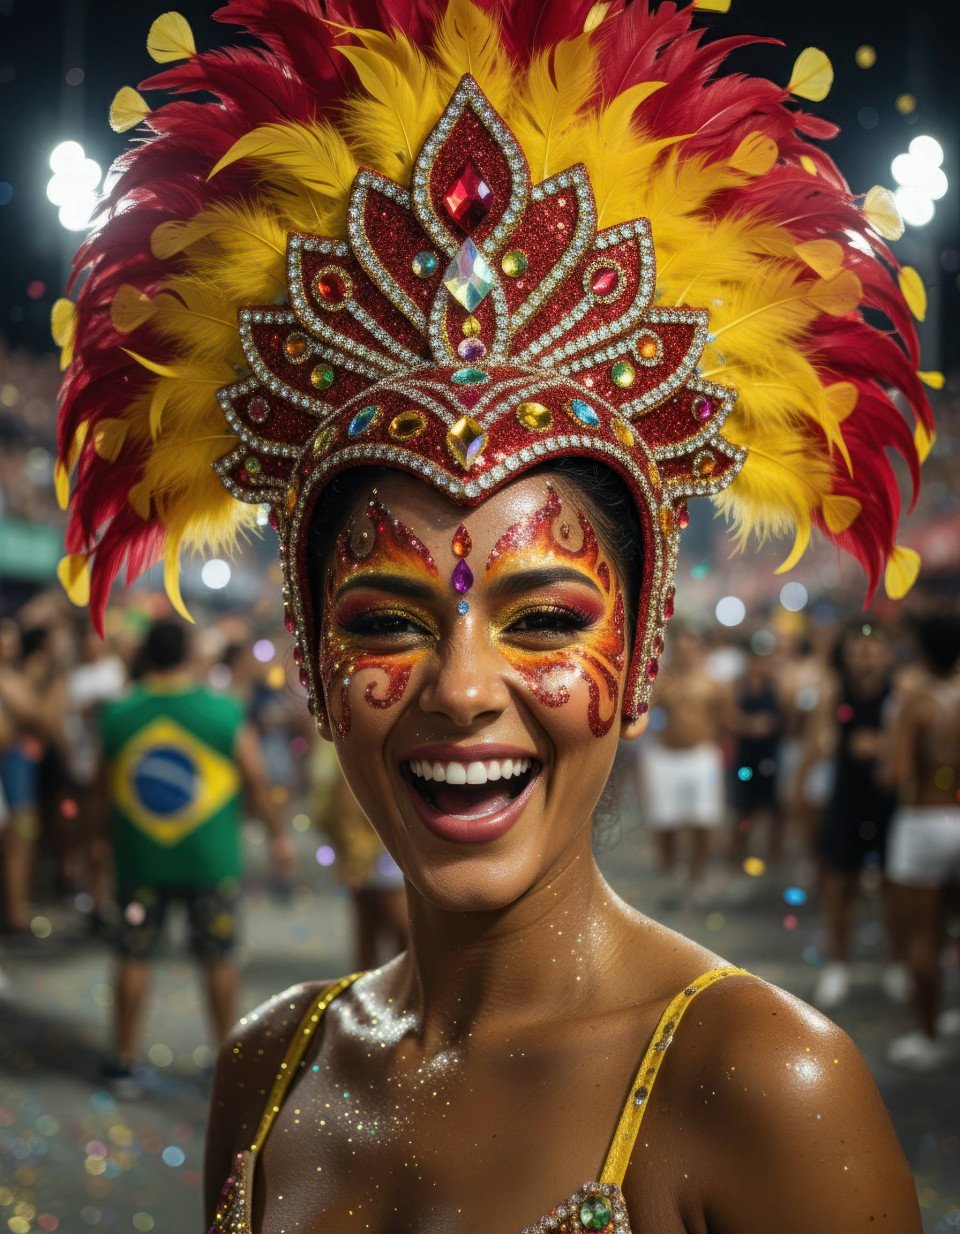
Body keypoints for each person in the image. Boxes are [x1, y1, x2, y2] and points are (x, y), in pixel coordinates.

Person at [56, 2, 932, 1229]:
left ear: (644, 647)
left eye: (546, 619)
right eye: (387, 621)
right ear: (310, 656)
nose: (463, 688)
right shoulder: (266, 1070)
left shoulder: (762, 1090)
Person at [95, 619, 295, 1096]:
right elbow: (256, 778)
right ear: (188, 655)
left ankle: (123, 1062)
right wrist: (277, 837)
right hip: (211, 863)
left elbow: (99, 791)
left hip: (139, 861)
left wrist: (92, 846)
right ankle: (227, 1063)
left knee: (132, 954)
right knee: (219, 959)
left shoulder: (119, 713)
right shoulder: (223, 712)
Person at [809, 624, 902, 1011]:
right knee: (839, 887)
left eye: (873, 649)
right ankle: (838, 963)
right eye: (858, 650)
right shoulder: (835, 692)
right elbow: (820, 741)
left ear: (888, 654)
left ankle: (895, 964)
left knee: (892, 889)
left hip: (889, 804)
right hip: (845, 800)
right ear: (846, 655)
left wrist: (884, 746)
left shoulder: (900, 693)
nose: (866, 657)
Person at [884, 616, 960, 1070]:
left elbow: (897, 773)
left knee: (922, 936)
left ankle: (927, 1037)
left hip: (922, 823)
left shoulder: (916, 703)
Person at [640, 624, 727, 903]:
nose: (686, 652)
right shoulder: (662, 680)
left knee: (702, 820)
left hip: (700, 756)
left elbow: (725, 717)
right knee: (665, 820)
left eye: (691, 647)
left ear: (699, 649)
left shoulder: (712, 682)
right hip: (666, 757)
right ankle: (668, 875)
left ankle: (697, 877)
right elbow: (644, 709)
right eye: (681, 647)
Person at [312, 741, 408, 969]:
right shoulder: (348, 751)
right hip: (378, 849)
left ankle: (390, 983)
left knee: (372, 925)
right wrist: (353, 860)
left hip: (382, 846)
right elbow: (343, 807)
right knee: (397, 927)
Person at [727, 649, 784, 870]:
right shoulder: (738, 687)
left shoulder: (775, 686)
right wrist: (750, 725)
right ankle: (739, 852)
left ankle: (774, 853)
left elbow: (786, 715)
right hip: (746, 755)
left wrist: (769, 724)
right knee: (744, 808)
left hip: (770, 755)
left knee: (774, 808)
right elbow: (728, 716)